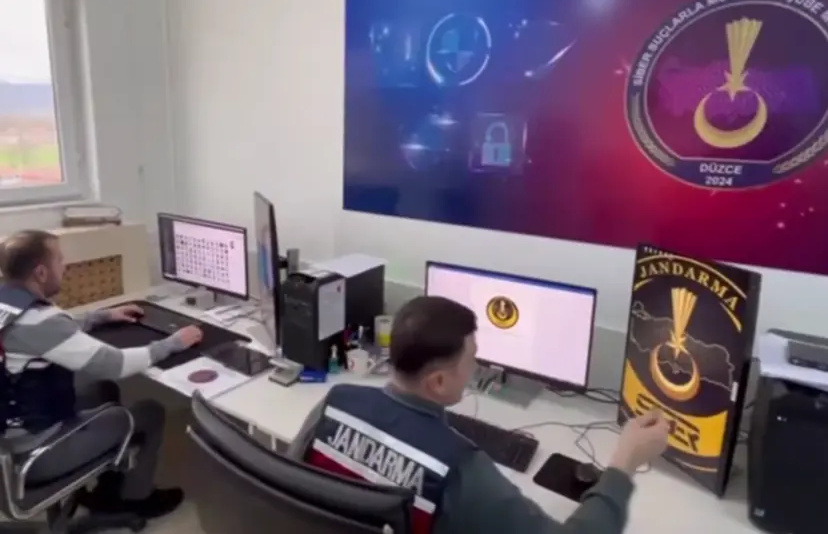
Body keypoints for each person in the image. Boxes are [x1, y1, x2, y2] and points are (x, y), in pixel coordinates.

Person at [287, 295, 670, 534]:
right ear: (438, 382)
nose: (476, 367)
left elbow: (288, 491)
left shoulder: (335, 402)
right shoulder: (460, 469)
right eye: (472, 358)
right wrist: (623, 464)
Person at [0, 229, 204, 519]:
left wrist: (100, 317)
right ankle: (135, 498)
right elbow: (115, 365)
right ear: (41, 272)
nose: (65, 266)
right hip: (35, 456)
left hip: (10, 438)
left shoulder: (8, 305)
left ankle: (110, 483)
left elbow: (48, 334)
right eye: (59, 260)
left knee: (102, 391)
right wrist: (172, 344)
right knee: (151, 412)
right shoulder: (40, 321)